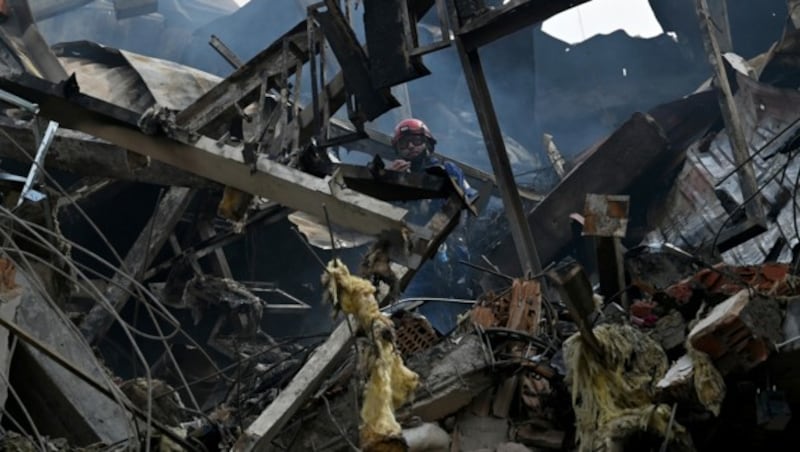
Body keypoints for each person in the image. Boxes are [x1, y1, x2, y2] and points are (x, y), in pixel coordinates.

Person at [388, 118, 478, 299]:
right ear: (398, 150)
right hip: (417, 258)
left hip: (453, 252)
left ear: (427, 142)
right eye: (405, 143)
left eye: (416, 140)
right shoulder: (395, 178)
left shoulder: (447, 170)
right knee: (407, 303)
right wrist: (393, 183)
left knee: (459, 303)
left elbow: (467, 202)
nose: (411, 146)